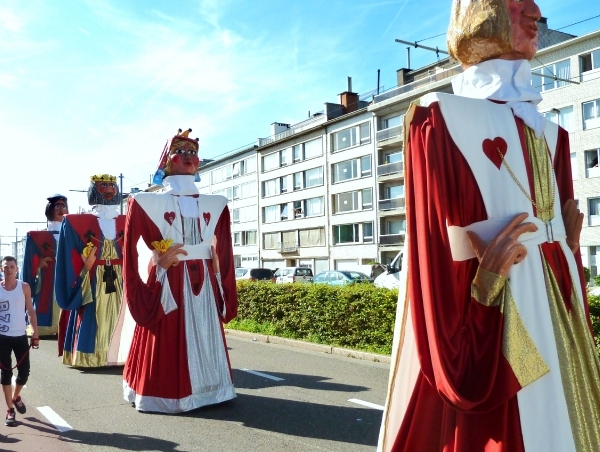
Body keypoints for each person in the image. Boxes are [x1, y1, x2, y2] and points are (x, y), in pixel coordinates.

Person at [377, 1, 600, 451]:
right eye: (518, 5)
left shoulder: (552, 133)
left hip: (554, 306)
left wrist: (569, 247)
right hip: (500, 307)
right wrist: (487, 285)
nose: (536, 13)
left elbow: (552, 224)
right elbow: (436, 246)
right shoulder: (439, 116)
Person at [122, 128, 238, 413]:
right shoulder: (146, 202)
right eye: (181, 151)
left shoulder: (217, 204)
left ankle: (210, 390)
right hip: (170, 277)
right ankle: (164, 393)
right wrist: (156, 262)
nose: (189, 157)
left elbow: (223, 250)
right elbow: (129, 252)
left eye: (193, 152)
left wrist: (219, 274)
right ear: (167, 161)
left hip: (204, 281)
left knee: (204, 330)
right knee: (167, 336)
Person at [54, 175, 134, 367]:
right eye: (103, 186)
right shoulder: (78, 223)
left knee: (120, 314)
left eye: (112, 186)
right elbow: (68, 255)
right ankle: (92, 355)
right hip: (94, 277)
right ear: (93, 191)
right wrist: (86, 266)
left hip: (119, 277)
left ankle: (120, 354)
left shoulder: (127, 220)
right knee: (92, 313)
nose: (109, 190)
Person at [21, 194, 69, 338]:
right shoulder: (39, 237)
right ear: (50, 209)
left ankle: (65, 326)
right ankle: (44, 325)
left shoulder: (71, 235)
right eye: (57, 206)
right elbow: (29, 265)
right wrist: (39, 266)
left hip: (66, 277)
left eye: (63, 206)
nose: (61, 209)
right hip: (46, 277)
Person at [0, 256, 39, 426]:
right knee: (6, 374)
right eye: (5, 267)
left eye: (11, 266)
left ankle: (16, 396)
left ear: (16, 269)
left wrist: (35, 334)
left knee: (24, 372)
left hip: (21, 336)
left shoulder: (24, 287)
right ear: (1, 269)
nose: (8, 269)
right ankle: (10, 409)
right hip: (2, 337)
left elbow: (30, 311)